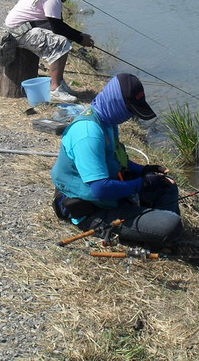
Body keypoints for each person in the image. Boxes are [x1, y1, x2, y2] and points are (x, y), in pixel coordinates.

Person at [51, 73, 183, 247]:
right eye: (130, 111)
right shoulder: (88, 133)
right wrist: (142, 184)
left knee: (167, 186)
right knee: (171, 224)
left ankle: (153, 230)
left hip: (109, 196)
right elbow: (100, 189)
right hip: (89, 207)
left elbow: (115, 159)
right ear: (117, 103)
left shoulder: (107, 120)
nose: (130, 117)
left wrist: (143, 170)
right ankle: (155, 230)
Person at [3, 0, 93, 103]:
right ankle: (55, 90)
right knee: (61, 42)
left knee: (64, 39)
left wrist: (79, 35)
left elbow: (58, 24)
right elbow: (57, 28)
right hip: (16, 33)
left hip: (20, 28)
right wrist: (81, 38)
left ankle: (59, 82)